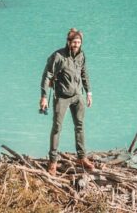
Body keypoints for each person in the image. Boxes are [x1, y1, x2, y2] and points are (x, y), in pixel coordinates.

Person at [40, 28, 95, 174]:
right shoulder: (58, 56)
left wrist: (89, 92)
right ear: (68, 42)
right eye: (74, 42)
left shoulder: (81, 55)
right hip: (62, 97)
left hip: (78, 96)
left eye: (79, 42)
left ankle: (82, 157)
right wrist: (44, 96)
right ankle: (52, 161)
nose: (77, 44)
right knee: (57, 128)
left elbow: (84, 73)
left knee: (80, 126)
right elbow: (47, 75)